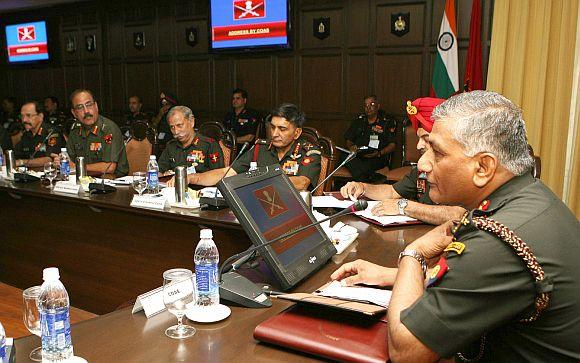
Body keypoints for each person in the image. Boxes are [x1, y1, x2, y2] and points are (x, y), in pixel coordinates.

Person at [331, 91, 580, 361]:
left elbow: (406, 352)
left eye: (437, 152)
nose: (423, 164)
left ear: (483, 167)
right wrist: (389, 276)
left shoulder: (497, 240)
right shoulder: (528, 196)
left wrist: (413, 256)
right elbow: (480, 286)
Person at [340, 97, 465, 225]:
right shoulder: (421, 170)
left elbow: (461, 215)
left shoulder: (460, 171)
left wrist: (404, 206)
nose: (418, 146)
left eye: (426, 139)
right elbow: (391, 191)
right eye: (419, 138)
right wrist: (363, 187)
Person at [168, 103, 321, 191]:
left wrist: (257, 180)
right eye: (272, 127)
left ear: (297, 132)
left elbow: (302, 183)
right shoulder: (260, 149)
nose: (274, 134)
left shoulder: (309, 152)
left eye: (282, 129)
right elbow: (226, 172)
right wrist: (193, 177)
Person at [52, 89, 128, 177]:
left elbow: (109, 167)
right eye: (80, 107)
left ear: (96, 106)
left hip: (111, 182)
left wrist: (77, 166)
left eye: (89, 105)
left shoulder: (108, 129)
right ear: (74, 113)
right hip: (84, 179)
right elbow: (70, 160)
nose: (86, 111)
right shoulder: (75, 129)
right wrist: (62, 161)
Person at [342, 95, 396, 182]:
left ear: (378, 106)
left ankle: (363, 180)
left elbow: (392, 145)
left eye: (372, 104)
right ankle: (372, 177)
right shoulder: (359, 121)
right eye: (366, 105)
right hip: (358, 154)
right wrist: (352, 147)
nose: (368, 108)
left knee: (364, 165)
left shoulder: (386, 122)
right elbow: (349, 140)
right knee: (344, 156)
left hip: (377, 156)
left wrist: (379, 153)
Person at [158, 106, 224, 174]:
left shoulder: (209, 145)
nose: (176, 131)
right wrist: (164, 175)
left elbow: (218, 175)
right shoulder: (171, 146)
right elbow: (158, 171)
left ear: (191, 121)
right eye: (172, 127)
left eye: (179, 125)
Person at [13, 100, 65, 168]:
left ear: (40, 116)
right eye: (22, 116)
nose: (24, 120)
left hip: (48, 174)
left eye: (28, 115)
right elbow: (16, 155)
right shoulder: (26, 134)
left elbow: (50, 159)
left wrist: (22, 162)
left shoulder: (51, 132)